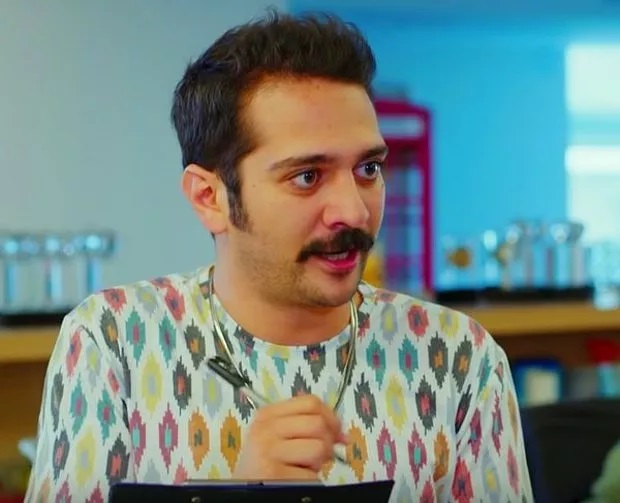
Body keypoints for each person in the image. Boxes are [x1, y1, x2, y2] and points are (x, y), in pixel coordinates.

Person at [25, 9, 534, 502]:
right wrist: (235, 497)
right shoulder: (112, 343)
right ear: (210, 197)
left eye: (368, 170)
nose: (354, 211)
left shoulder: (458, 358)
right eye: (307, 176)